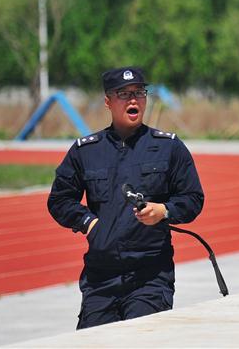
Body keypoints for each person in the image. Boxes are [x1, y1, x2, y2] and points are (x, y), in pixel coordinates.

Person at [47, 67, 204, 329]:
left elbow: (192, 198)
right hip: (100, 278)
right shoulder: (86, 150)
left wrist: (164, 210)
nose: (134, 100)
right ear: (108, 101)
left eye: (139, 92)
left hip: (150, 277)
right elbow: (60, 200)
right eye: (124, 94)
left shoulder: (168, 147)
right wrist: (89, 223)